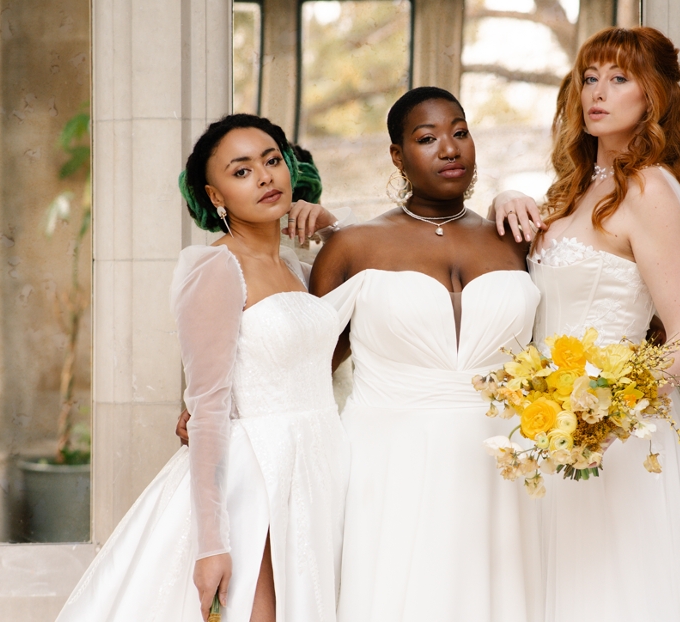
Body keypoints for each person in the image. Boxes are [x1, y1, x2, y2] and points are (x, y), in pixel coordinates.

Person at [492, 27, 680, 621]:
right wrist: (504, 198)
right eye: (589, 78)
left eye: (619, 78)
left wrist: (602, 412)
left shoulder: (650, 188)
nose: (597, 92)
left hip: (618, 438)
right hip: (549, 431)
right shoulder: (573, 188)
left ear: (651, 96)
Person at [56, 114, 349, 622]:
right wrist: (210, 544)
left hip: (319, 462)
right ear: (216, 197)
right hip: (257, 471)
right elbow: (208, 408)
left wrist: (329, 226)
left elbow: (340, 338)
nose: (264, 177)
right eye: (241, 171)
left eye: (273, 160)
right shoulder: (216, 268)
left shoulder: (300, 272)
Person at [310, 86, 542, 622]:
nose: (449, 148)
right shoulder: (352, 245)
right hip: (387, 461)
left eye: (460, 133)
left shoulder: (518, 239)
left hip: (504, 461)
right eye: (427, 138)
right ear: (398, 155)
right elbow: (310, 361)